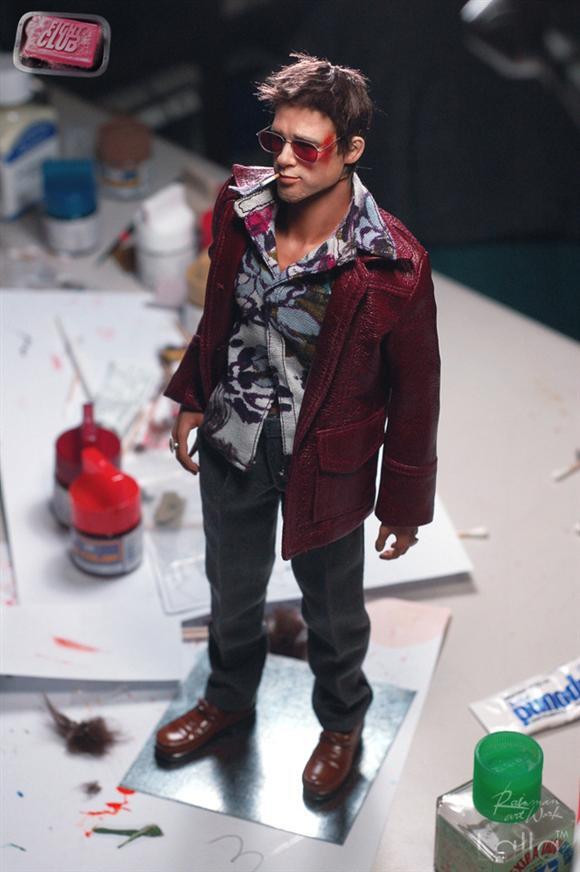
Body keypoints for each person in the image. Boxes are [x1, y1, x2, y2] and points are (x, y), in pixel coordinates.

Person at [155, 52, 440, 801]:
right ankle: (227, 698)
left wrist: (405, 505)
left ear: (351, 151)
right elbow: (221, 314)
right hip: (235, 438)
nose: (284, 159)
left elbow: (417, 396)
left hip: (327, 465)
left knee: (334, 611)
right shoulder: (241, 209)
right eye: (275, 140)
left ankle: (342, 722)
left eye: (306, 147)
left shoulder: (394, 266)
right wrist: (193, 394)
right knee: (232, 588)